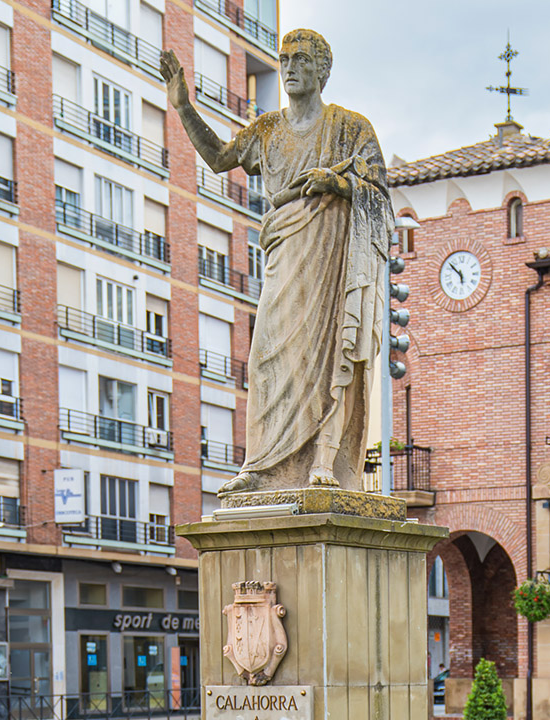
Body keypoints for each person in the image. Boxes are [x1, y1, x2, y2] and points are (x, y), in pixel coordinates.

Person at [161, 30, 393, 492]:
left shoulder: (351, 128)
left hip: (330, 261)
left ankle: (322, 463)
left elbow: (380, 194)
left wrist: (338, 184)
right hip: (285, 254)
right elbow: (219, 157)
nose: (288, 67)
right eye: (284, 58)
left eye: (301, 59)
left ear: (322, 70)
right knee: (266, 356)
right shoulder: (266, 130)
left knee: (329, 357)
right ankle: (262, 466)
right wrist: (182, 105)